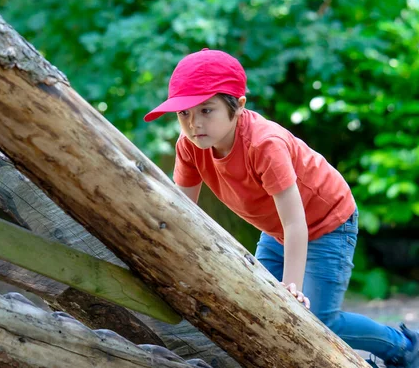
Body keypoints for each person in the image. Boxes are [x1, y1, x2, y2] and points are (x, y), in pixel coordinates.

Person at [144, 48, 418, 367]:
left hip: (327, 223)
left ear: (239, 107)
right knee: (256, 305)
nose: (194, 124)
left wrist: (292, 288)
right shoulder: (189, 147)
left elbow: (296, 222)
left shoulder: (264, 145)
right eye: (184, 114)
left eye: (206, 110)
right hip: (277, 231)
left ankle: (403, 348)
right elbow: (182, 215)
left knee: (313, 320)